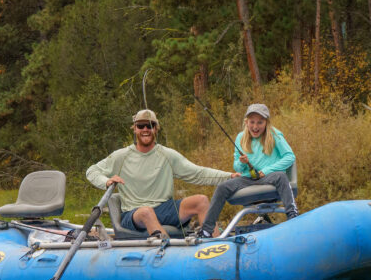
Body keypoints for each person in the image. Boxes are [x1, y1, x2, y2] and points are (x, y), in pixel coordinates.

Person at [86, 109, 233, 243]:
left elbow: (199, 173)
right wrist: (107, 181)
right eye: (141, 126)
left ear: (156, 129)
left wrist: (230, 177)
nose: (145, 130)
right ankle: (171, 256)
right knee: (146, 212)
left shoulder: (168, 155)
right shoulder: (121, 156)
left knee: (201, 201)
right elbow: (92, 172)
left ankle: (216, 248)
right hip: (134, 214)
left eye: (150, 126)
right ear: (134, 129)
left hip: (164, 208)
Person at [199, 102, 297, 237]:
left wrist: (267, 171)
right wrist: (242, 163)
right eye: (252, 122)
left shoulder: (275, 135)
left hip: (269, 178)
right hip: (247, 178)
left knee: (281, 176)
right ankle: (206, 230)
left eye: (260, 123)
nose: (255, 127)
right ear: (246, 122)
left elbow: (290, 157)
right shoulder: (240, 137)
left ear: (266, 123)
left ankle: (292, 215)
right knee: (222, 187)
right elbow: (237, 167)